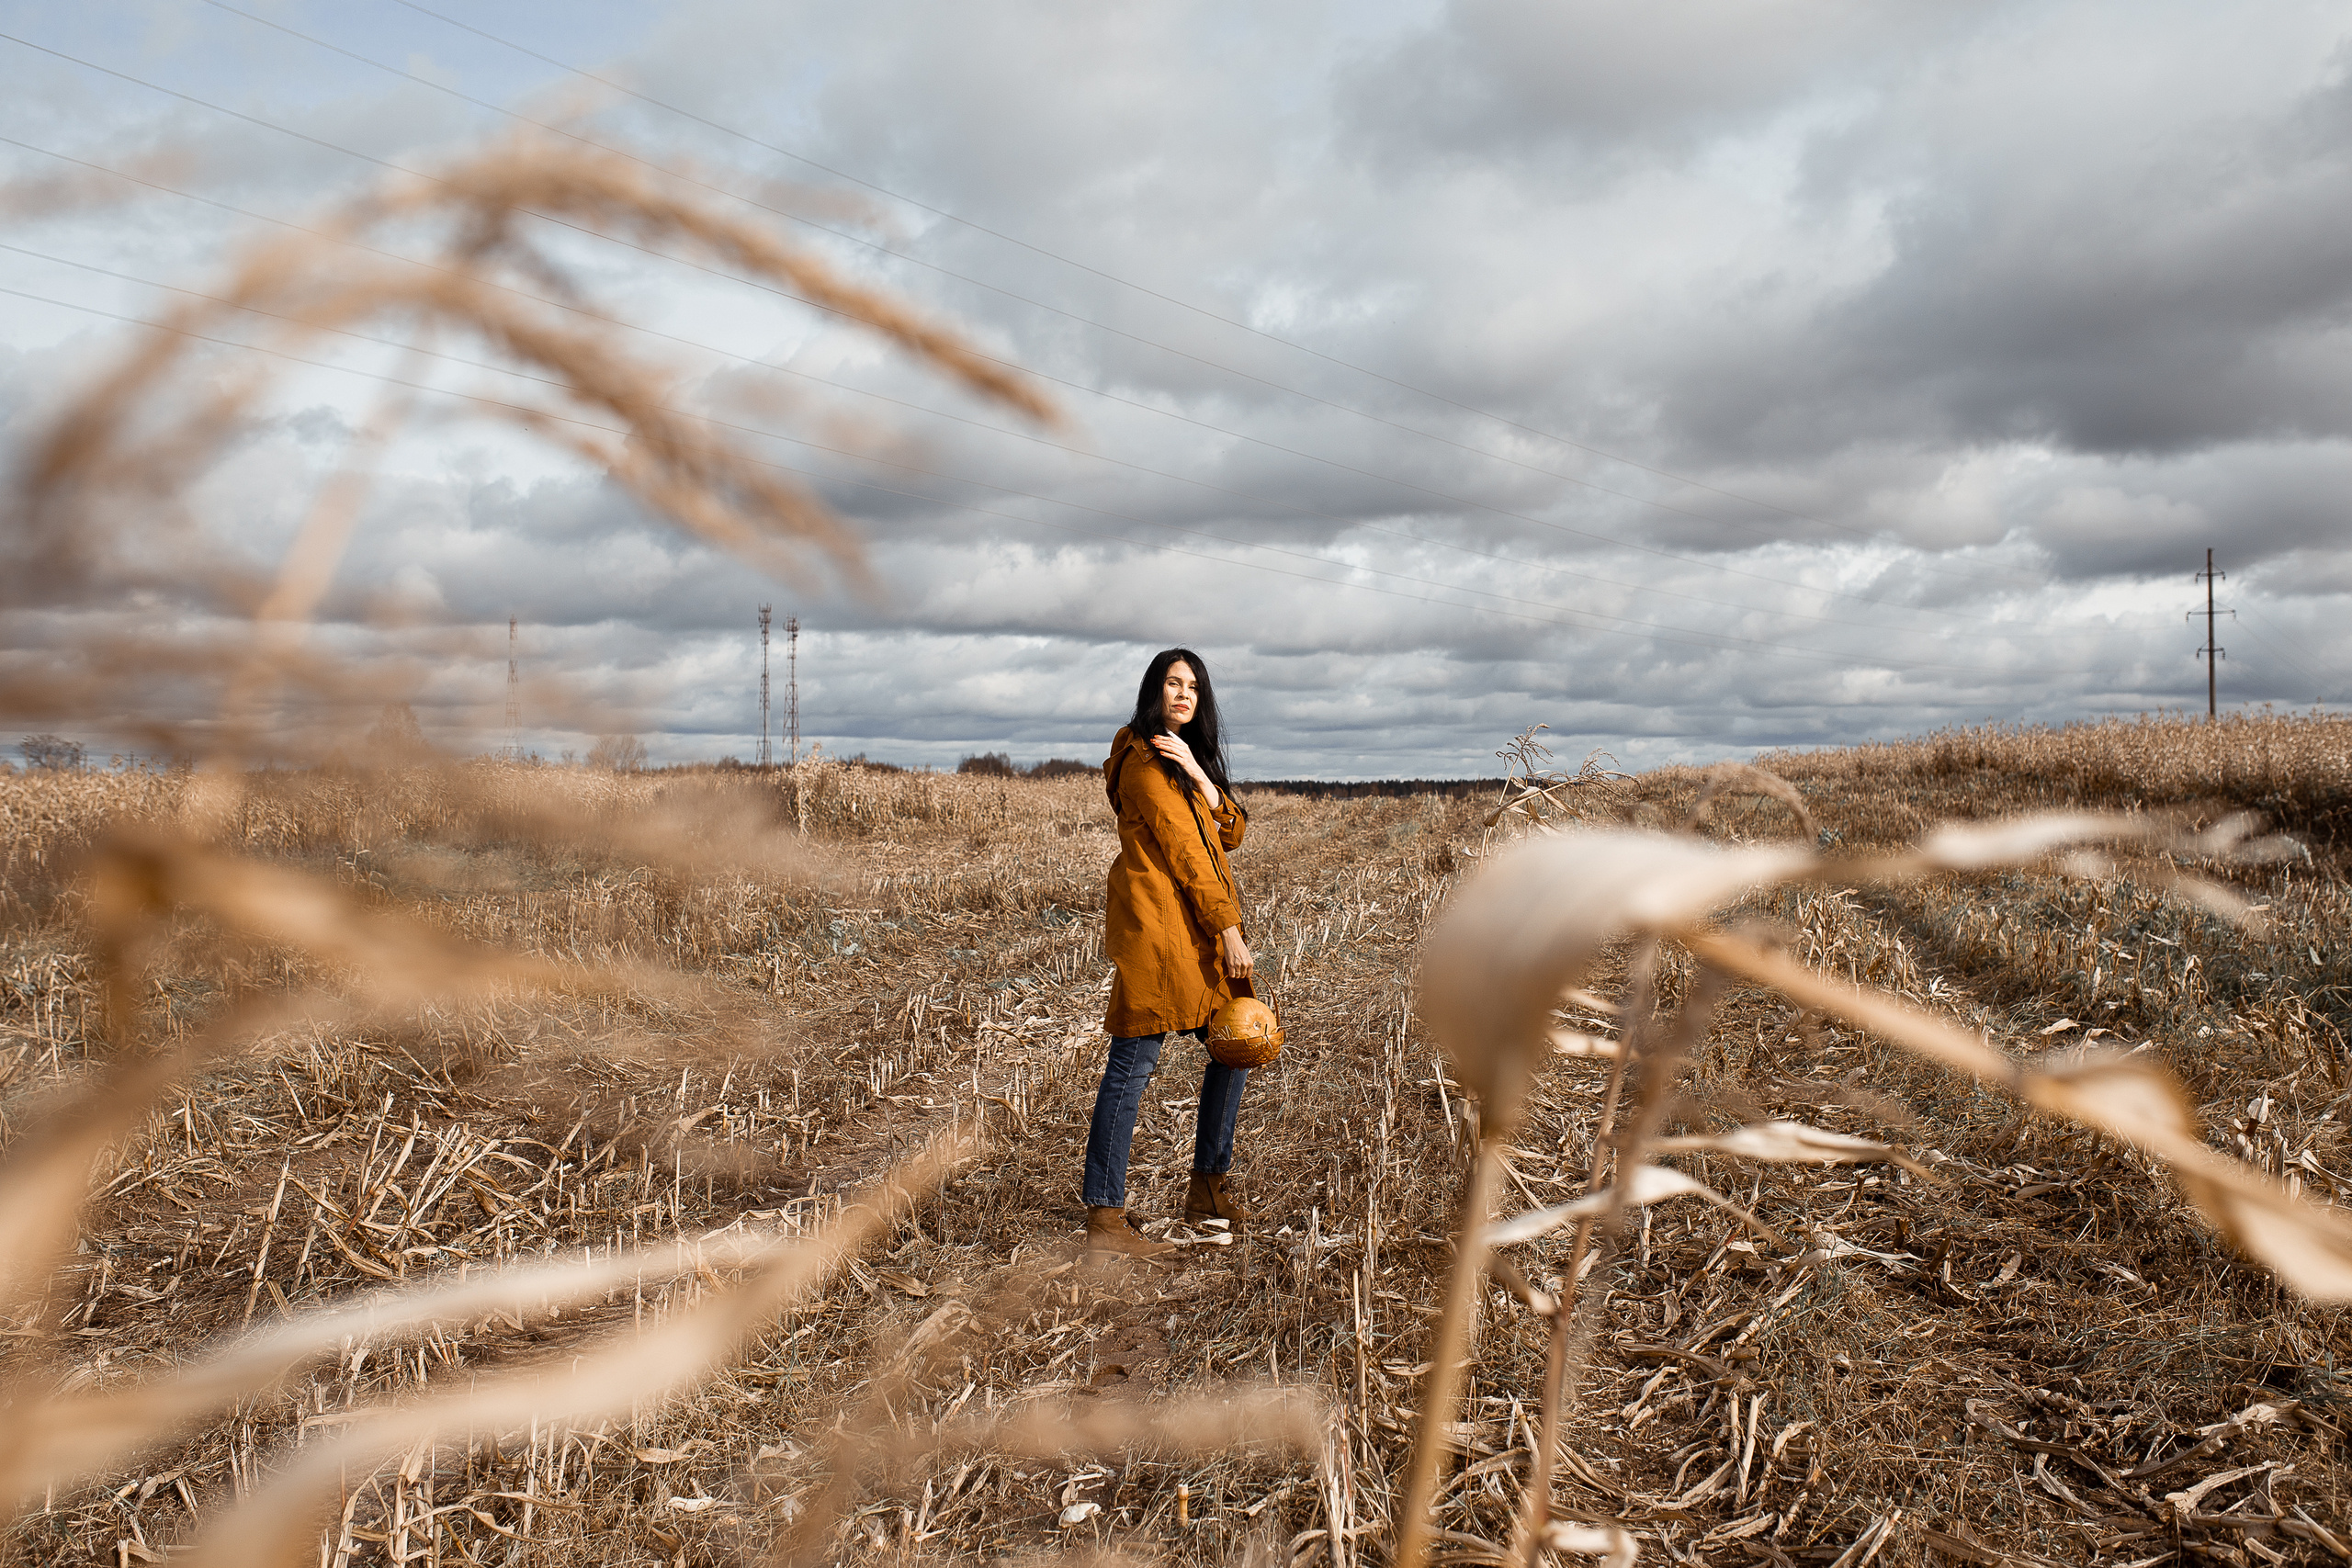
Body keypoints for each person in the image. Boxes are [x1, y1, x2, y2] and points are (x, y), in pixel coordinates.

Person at [1083, 648, 1258, 1260]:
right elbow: (1187, 850)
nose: (1182, 693)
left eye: (1192, 685)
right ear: (1153, 690)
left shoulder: (1177, 761)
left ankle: (1208, 1188)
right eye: (1171, 682)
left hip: (1192, 931)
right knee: (1132, 1066)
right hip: (1160, 934)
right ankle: (1105, 1216)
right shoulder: (1141, 759)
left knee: (1235, 1044)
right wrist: (1230, 928)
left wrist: (1203, 775)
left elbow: (1230, 831)